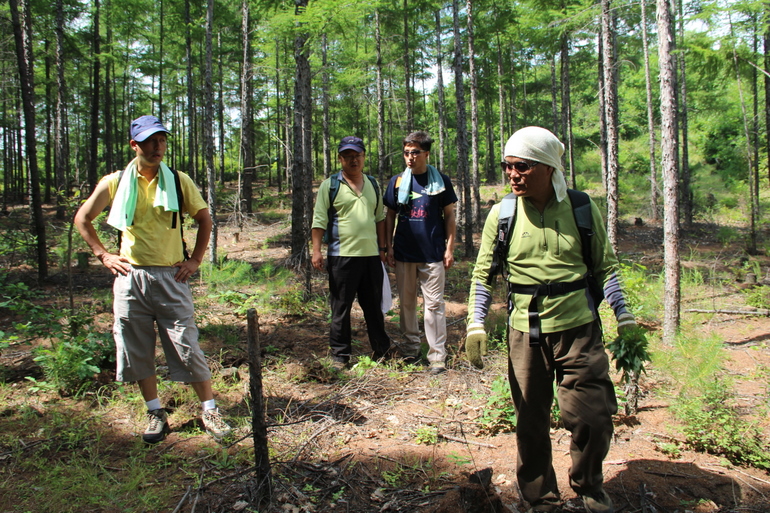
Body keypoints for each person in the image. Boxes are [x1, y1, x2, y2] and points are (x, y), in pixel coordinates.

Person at [465, 126, 642, 513]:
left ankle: (589, 486)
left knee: (593, 415)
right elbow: (483, 275)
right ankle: (541, 498)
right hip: (525, 333)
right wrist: (475, 322)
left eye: (522, 167)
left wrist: (624, 314)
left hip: (579, 328)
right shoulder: (503, 213)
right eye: (508, 166)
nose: (512, 174)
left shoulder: (581, 208)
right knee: (530, 421)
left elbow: (606, 267)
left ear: (548, 167)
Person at [75, 115, 231, 444]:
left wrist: (195, 260)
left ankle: (210, 409)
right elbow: (83, 219)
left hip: (171, 276)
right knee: (136, 349)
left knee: (187, 344)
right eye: (150, 141)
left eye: (161, 140)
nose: (158, 146)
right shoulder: (115, 182)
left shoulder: (177, 180)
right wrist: (104, 255)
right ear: (135, 145)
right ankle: (155, 411)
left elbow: (205, 219)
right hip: (130, 277)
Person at [311, 136, 391, 369]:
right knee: (341, 308)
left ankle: (382, 352)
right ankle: (340, 356)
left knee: (373, 308)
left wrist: (383, 249)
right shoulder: (330, 185)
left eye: (357, 155)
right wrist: (316, 251)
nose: (353, 160)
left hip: (371, 256)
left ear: (364, 157)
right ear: (340, 159)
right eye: (348, 156)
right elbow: (319, 219)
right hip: (341, 257)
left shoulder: (373, 184)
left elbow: (380, 218)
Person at [383, 131, 457, 374]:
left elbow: (449, 215)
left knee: (434, 305)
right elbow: (390, 215)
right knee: (406, 304)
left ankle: (437, 356)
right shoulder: (396, 182)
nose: (410, 157)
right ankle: (411, 349)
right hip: (404, 252)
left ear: (426, 154)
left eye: (415, 152)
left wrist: (449, 248)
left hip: (433, 253)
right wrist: (388, 247)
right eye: (406, 152)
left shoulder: (441, 181)